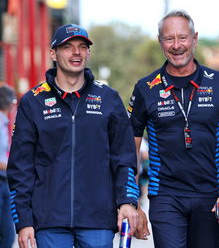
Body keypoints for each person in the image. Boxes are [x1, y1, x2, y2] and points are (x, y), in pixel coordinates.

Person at [7, 24, 145, 248]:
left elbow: (124, 159)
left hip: (98, 220)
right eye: (68, 47)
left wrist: (128, 201)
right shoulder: (33, 101)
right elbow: (21, 167)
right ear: (53, 53)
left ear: (89, 53)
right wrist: (23, 221)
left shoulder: (109, 99)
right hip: (48, 222)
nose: (76, 53)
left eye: (83, 47)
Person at [127, 10, 219, 248]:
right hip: (165, 196)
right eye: (169, 39)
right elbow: (131, 146)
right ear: (160, 42)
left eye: (182, 37)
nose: (176, 45)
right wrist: (131, 200)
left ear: (195, 38)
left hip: (210, 194)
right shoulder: (145, 88)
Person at [0, 83, 16, 248]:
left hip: (4, 182)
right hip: (1, 180)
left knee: (7, 234)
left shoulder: (4, 122)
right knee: (6, 234)